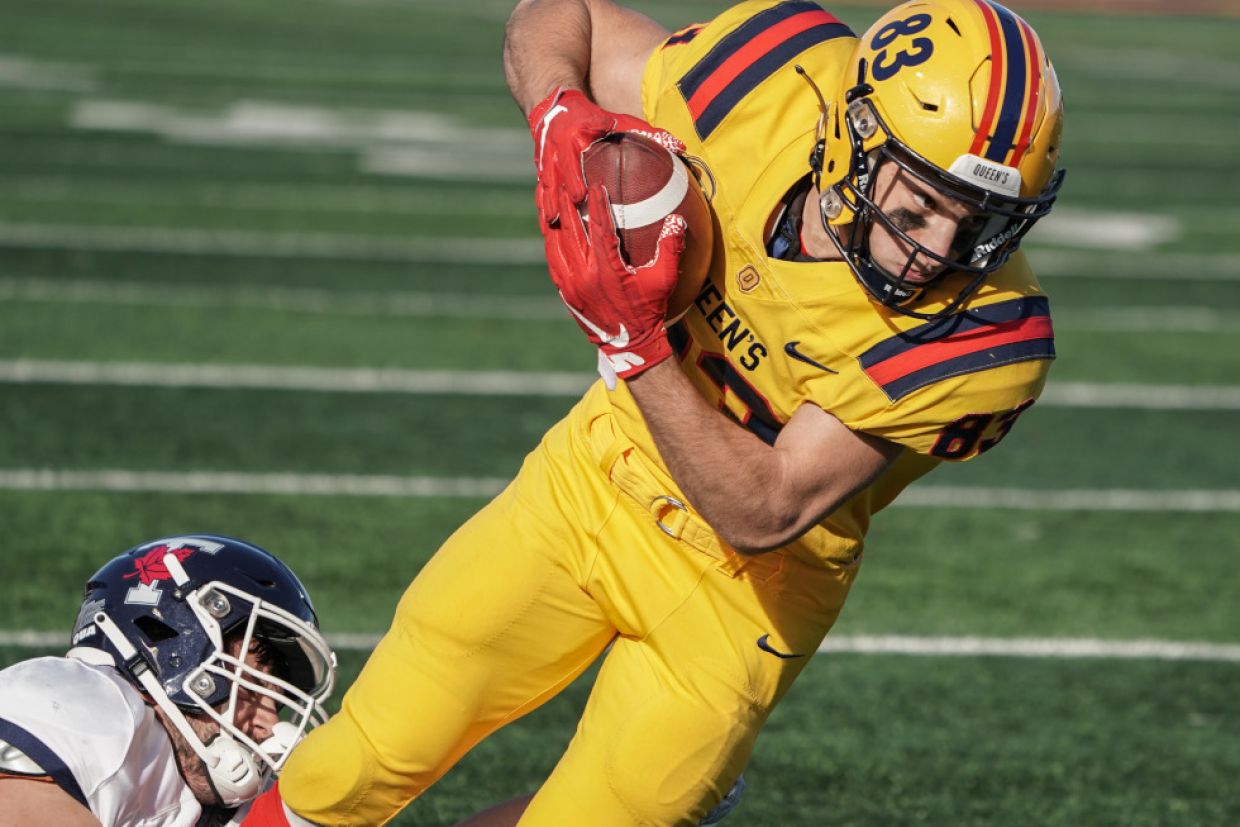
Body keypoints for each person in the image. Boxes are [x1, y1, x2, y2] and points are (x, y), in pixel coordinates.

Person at [243, 0, 1064, 824]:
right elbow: (563, 17)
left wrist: (634, 345)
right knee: (353, 767)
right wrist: (559, 114)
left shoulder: (988, 332)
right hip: (597, 479)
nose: (942, 250)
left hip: (747, 593)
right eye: (922, 202)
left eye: (982, 221)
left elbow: (765, 506)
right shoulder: (769, 81)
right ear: (854, 134)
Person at [0, 534, 337, 826]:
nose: (269, 723)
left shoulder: (202, 795)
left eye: (276, 700)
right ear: (172, 647)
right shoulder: (88, 703)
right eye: (251, 687)